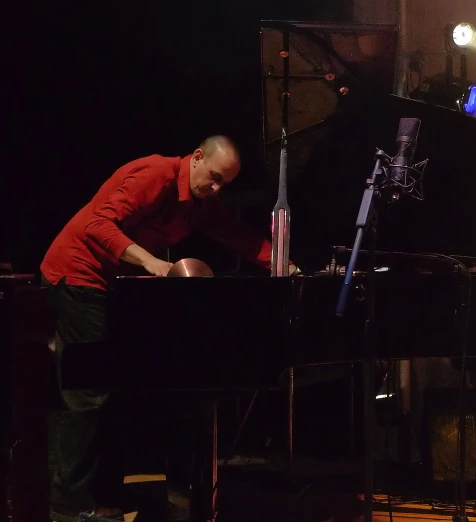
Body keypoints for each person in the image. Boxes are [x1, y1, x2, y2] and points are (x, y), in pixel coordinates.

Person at [41, 135, 296, 521]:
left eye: (223, 184)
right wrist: (149, 261)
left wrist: (286, 266)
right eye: (213, 177)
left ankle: (105, 499)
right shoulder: (155, 174)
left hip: (114, 286)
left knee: (116, 394)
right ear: (196, 158)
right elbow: (97, 223)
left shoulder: (201, 201)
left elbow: (237, 236)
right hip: (78, 276)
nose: (215, 188)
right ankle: (69, 508)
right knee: (86, 396)